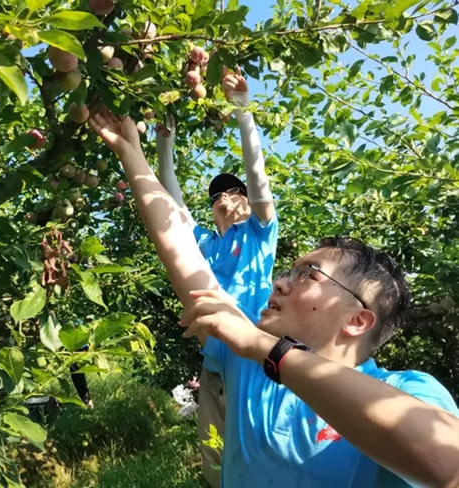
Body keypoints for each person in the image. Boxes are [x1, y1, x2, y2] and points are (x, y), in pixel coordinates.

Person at [88, 109, 459, 486]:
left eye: (307, 275)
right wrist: (131, 153)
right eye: (288, 272)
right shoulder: (250, 364)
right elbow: (177, 242)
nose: (280, 283)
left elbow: (447, 463)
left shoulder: (407, 389)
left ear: (356, 319)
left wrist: (269, 350)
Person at [154, 68, 278, 487]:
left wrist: (243, 112)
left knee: (262, 454)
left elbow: (259, 180)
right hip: (213, 367)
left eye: (234, 191)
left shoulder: (261, 233)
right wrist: (164, 142)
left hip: (254, 358)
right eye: (217, 196)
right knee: (216, 460)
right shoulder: (204, 242)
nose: (225, 197)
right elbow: (170, 197)